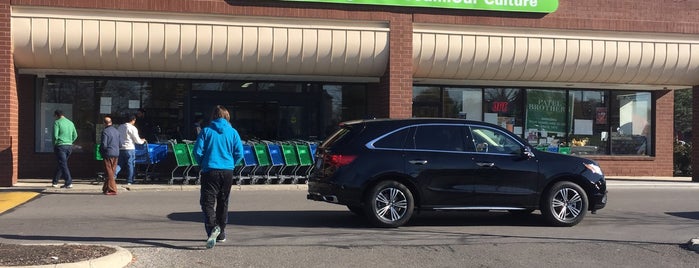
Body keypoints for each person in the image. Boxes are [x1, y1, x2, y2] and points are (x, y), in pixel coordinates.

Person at [193, 105, 244, 249]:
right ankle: (221, 233)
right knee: (223, 201)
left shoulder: (206, 131)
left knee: (207, 202)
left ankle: (212, 228)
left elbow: (197, 151)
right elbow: (239, 153)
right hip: (227, 171)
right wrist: (231, 163)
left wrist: (203, 163)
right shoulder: (233, 132)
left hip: (210, 170)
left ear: (213, 116)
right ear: (227, 116)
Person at [116, 114, 146, 185]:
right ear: (133, 120)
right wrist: (142, 141)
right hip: (129, 148)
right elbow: (137, 140)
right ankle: (130, 180)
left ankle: (112, 176)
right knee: (130, 164)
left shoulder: (120, 127)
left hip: (121, 148)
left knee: (119, 164)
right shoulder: (132, 128)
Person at [52, 109, 78, 189]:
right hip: (69, 146)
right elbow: (75, 135)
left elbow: (55, 136)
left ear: (57, 115)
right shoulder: (70, 123)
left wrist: (55, 144)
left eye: (55, 116)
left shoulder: (57, 122)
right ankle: (55, 181)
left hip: (60, 146)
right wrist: (70, 141)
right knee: (62, 163)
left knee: (63, 164)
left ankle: (68, 182)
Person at [99, 115, 121, 195]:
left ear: (104, 123)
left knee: (109, 171)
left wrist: (101, 151)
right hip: (116, 153)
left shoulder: (105, 131)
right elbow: (120, 144)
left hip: (108, 153)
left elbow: (104, 144)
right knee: (111, 170)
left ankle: (112, 189)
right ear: (111, 122)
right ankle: (106, 188)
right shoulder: (116, 131)